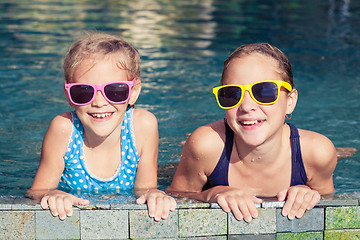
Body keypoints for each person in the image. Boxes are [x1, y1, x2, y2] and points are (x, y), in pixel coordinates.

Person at [167, 43, 337, 222]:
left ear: (290, 101)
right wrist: (211, 194)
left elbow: (332, 204)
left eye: (264, 92)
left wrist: (309, 194)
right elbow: (177, 195)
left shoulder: (317, 153)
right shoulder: (205, 146)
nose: (247, 106)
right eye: (232, 94)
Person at [27, 33, 176, 221]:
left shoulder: (142, 126)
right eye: (83, 91)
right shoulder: (64, 129)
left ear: (133, 92)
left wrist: (153, 194)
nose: (99, 102)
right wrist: (52, 194)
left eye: (115, 91)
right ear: (68, 95)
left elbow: (145, 189)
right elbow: (37, 190)